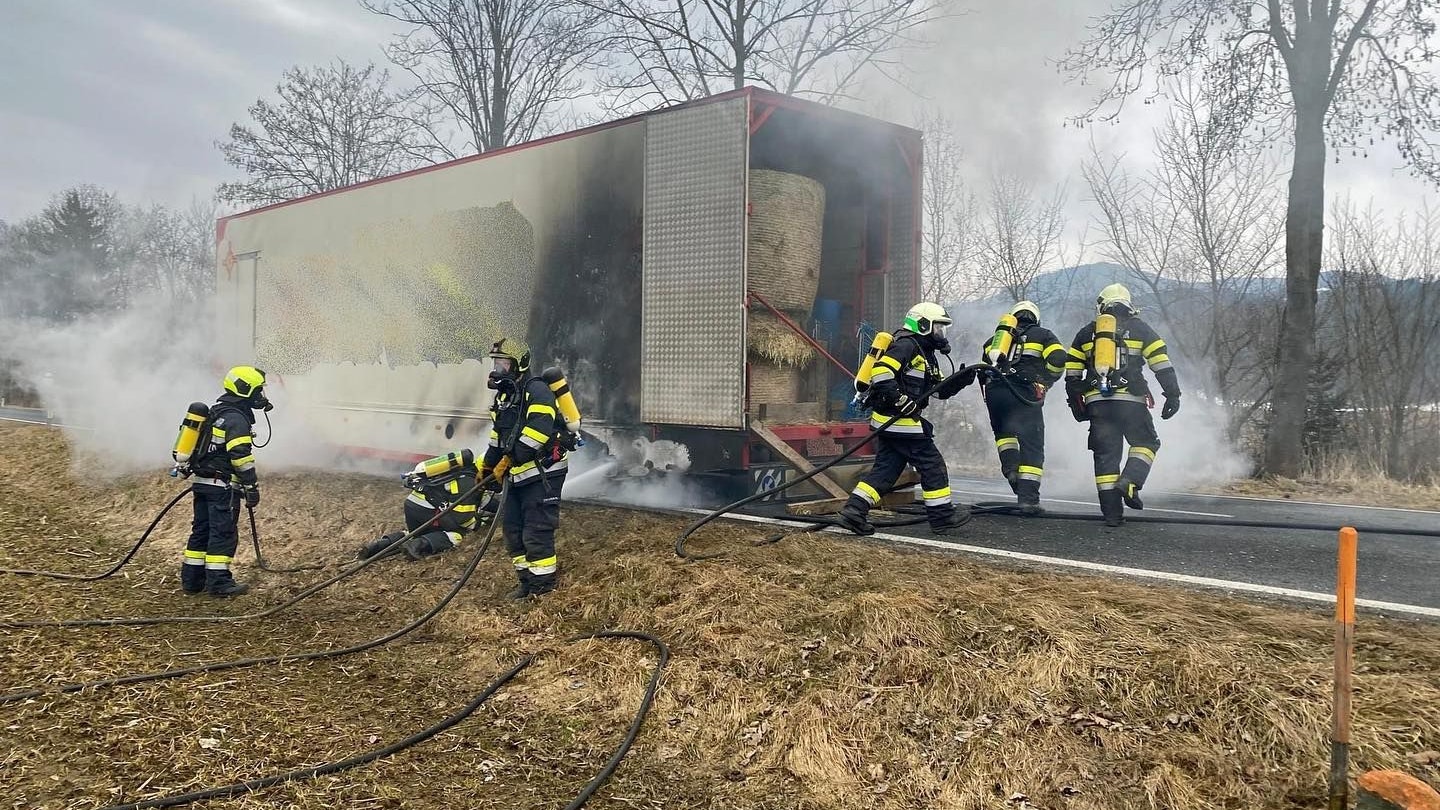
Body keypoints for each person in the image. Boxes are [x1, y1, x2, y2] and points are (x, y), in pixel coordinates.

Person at [838, 302, 973, 537]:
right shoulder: (906, 345)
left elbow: (938, 391)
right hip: (900, 422)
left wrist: (961, 379)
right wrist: (900, 399)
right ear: (923, 325)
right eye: (938, 327)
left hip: (890, 424)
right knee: (933, 466)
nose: (941, 334)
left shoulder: (926, 354)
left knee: (885, 472)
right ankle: (942, 517)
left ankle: (854, 511)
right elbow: (881, 372)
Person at [1064, 283, 1182, 527]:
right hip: (1131, 402)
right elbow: (1161, 363)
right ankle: (1130, 481)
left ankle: (1112, 515)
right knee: (1146, 443)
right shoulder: (1141, 329)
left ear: (1101, 305)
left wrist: (1077, 404)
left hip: (1098, 404)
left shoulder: (1086, 333)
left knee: (1106, 456)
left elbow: (1072, 373)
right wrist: (1172, 394)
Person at [481, 337, 572, 598]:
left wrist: (510, 459)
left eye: (503, 363)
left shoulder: (538, 391)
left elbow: (537, 433)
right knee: (513, 530)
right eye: (496, 363)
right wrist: (487, 467)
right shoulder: (506, 396)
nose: (497, 369)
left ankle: (542, 588)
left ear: (519, 363)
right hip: (518, 475)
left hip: (543, 474)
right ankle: (526, 582)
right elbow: (498, 437)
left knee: (536, 530)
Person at [181, 366, 271, 597]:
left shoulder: (215, 413)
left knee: (201, 531)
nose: (260, 396)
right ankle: (219, 583)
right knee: (222, 534)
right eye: (257, 391)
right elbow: (240, 457)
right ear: (245, 390)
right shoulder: (236, 419)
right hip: (222, 488)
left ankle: (192, 581)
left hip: (202, 483)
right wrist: (251, 486)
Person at [978, 301, 1068, 515]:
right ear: (1036, 318)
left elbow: (983, 370)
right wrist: (1045, 379)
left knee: (1004, 435)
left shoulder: (994, 341)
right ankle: (1028, 501)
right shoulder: (1043, 335)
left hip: (995, 394)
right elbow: (1059, 358)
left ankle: (1011, 471)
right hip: (1022, 394)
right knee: (1032, 444)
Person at [356, 450, 498, 562]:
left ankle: (377, 546)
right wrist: (480, 523)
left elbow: (484, 501)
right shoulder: (470, 484)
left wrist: (499, 509)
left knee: (413, 533)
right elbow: (463, 519)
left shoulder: (464, 471)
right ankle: (418, 545)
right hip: (429, 510)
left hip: (414, 505)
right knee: (458, 534)